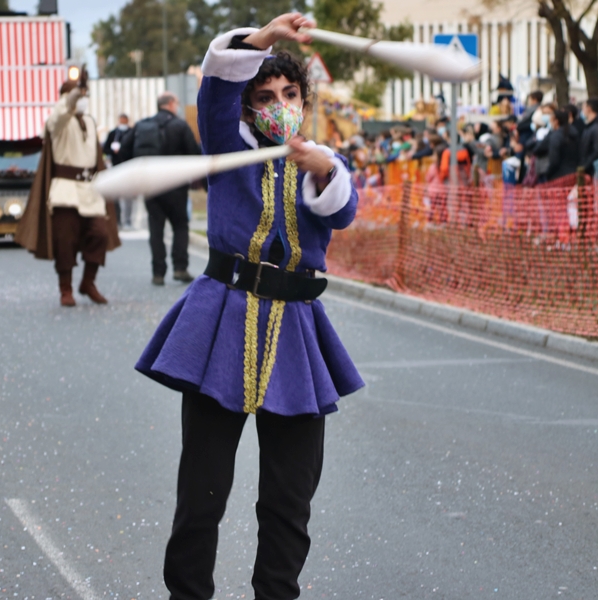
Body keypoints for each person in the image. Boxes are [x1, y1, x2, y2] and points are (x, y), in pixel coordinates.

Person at [135, 14, 364, 600]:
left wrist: (326, 168)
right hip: (222, 324)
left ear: (305, 102)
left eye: (290, 94)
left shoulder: (322, 162)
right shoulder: (224, 140)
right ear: (245, 107)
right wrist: (263, 38)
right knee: (202, 494)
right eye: (263, 96)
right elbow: (216, 82)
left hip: (298, 336)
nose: (279, 103)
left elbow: (342, 210)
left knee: (290, 498)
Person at [15, 69, 119, 307]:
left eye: (84, 94)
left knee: (100, 234)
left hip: (90, 190)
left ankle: (88, 282)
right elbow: (62, 112)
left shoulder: (91, 122)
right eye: (78, 95)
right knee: (65, 240)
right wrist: (74, 93)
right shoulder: (58, 122)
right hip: (65, 190)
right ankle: (66, 289)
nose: (82, 98)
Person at [118, 92, 201, 285]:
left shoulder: (143, 125)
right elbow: (194, 153)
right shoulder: (180, 125)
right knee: (180, 226)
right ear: (171, 104)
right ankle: (180, 269)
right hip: (175, 185)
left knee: (156, 229)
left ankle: (158, 273)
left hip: (151, 185)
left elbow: (123, 150)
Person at [102, 113, 139, 229]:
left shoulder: (132, 132)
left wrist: (123, 151)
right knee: (116, 196)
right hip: (116, 167)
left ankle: (128, 220)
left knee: (128, 196)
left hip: (129, 168)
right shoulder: (113, 134)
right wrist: (113, 152)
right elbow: (105, 148)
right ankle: (118, 220)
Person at [543, 108, 580, 183]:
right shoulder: (575, 132)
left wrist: (548, 174)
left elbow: (554, 160)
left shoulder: (556, 136)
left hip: (559, 176)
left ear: (556, 121)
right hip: (574, 173)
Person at [579, 98, 598, 178]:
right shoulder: (590, 125)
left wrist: (585, 166)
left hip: (594, 170)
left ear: (589, 108)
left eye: (583, 107)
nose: (582, 110)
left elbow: (597, 150)